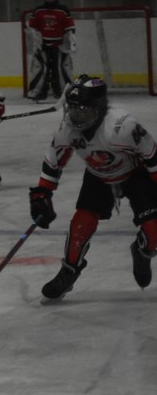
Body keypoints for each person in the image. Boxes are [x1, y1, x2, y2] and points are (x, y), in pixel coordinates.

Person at [27, 75, 157, 301]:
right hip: (98, 177)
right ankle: (69, 270)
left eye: (83, 111)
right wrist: (42, 193)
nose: (76, 118)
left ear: (100, 107)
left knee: (154, 231)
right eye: (73, 110)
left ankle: (142, 251)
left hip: (136, 176)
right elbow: (54, 158)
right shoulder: (68, 128)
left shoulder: (123, 126)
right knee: (81, 224)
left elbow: (152, 155)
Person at [26, 0, 76, 101]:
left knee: (61, 68)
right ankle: (38, 91)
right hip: (42, 46)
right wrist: (36, 43)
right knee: (40, 68)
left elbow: (70, 27)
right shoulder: (38, 10)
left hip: (59, 46)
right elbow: (32, 28)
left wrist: (67, 43)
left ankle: (63, 91)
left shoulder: (63, 10)